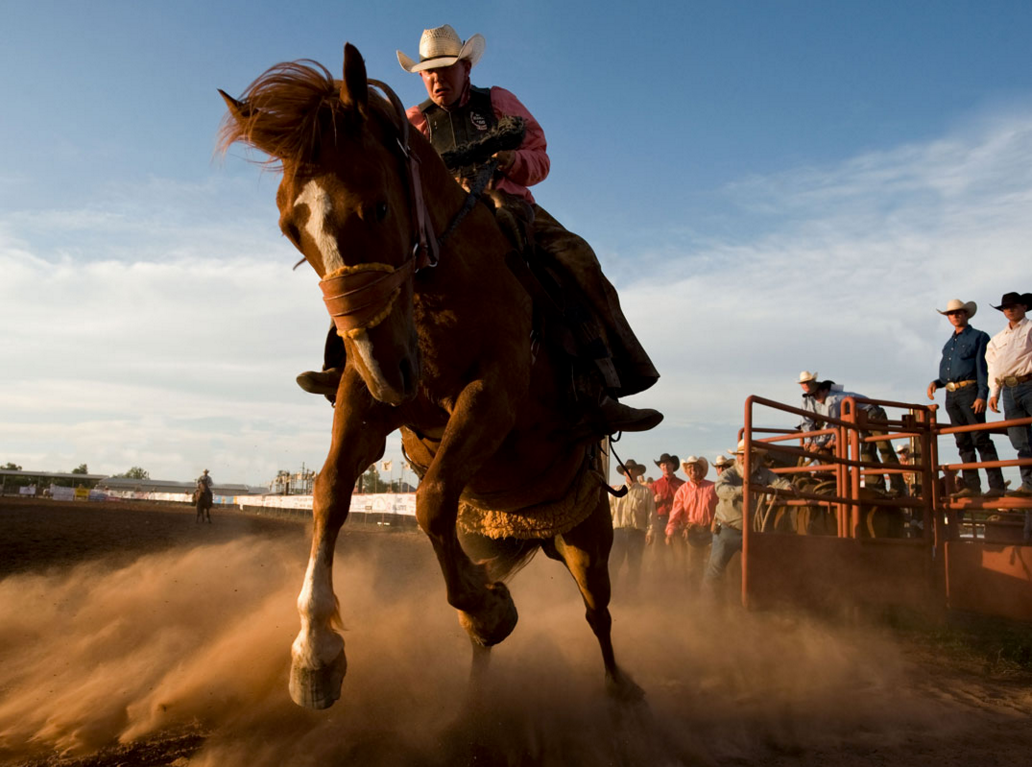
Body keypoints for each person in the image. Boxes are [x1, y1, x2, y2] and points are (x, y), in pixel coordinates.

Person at [298, 24, 661, 436]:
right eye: (428, 72)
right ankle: (344, 367)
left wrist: (510, 161)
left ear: (465, 67)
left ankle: (603, 383)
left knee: (576, 256)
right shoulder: (413, 121)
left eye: (445, 69)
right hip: (436, 220)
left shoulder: (498, 102)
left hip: (507, 203)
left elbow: (540, 156)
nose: (437, 78)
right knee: (367, 255)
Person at [926, 298, 1006, 498]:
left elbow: (983, 369)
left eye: (959, 313)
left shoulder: (979, 337)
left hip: (969, 391)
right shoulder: (948, 345)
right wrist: (937, 382)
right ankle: (972, 486)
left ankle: (996, 486)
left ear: (966, 315)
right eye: (951, 314)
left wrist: (982, 395)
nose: (955, 316)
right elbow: (949, 374)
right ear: (948, 318)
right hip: (951, 394)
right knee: (962, 440)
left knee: (980, 437)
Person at [704, 441, 795, 600]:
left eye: (750, 456)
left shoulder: (763, 473)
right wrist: (742, 490)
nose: (746, 459)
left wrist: (788, 486)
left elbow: (777, 481)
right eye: (742, 455)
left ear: (756, 458)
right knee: (715, 569)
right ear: (737, 457)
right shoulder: (730, 473)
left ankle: (755, 602)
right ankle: (708, 606)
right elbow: (720, 489)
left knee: (758, 568)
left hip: (749, 531)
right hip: (727, 529)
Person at [986, 292, 1032, 499]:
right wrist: (993, 393)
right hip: (1008, 388)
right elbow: (994, 368)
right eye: (1005, 308)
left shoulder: (1031, 328)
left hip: (1029, 382)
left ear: (1024, 307)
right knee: (1019, 438)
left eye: (1013, 306)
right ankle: (1029, 482)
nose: (1009, 310)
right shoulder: (997, 339)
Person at [666, 456, 717, 593]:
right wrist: (670, 530)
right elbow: (675, 512)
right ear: (687, 472)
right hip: (692, 531)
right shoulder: (683, 490)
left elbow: (720, 509)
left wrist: (716, 522)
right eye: (690, 468)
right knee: (694, 566)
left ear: (701, 470)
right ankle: (694, 596)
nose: (693, 470)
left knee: (713, 565)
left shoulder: (712, 487)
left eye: (695, 467)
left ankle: (713, 595)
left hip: (711, 531)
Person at [608, 459, 655, 595]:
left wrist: (650, 531)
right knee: (613, 564)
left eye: (633, 470)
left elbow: (651, 513)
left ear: (638, 472)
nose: (630, 472)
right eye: (627, 470)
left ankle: (631, 595)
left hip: (637, 533)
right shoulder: (615, 491)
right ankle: (611, 594)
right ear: (624, 473)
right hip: (618, 532)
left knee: (634, 566)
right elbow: (608, 512)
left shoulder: (645, 492)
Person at [649, 453, 684, 577]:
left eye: (668, 464)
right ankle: (660, 579)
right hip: (660, 521)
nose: (665, 466)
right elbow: (649, 506)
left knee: (678, 553)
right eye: (663, 464)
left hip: (677, 522)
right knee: (658, 553)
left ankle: (677, 578)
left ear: (673, 465)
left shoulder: (682, 485)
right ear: (660, 467)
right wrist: (654, 500)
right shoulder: (655, 485)